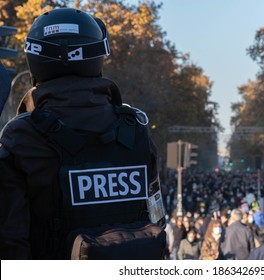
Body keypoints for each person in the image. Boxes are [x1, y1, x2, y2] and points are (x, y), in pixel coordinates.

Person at [0, 8, 165, 259]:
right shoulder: (136, 128)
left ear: (34, 60)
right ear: (98, 56)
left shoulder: (21, 136)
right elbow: (157, 218)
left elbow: (11, 241)